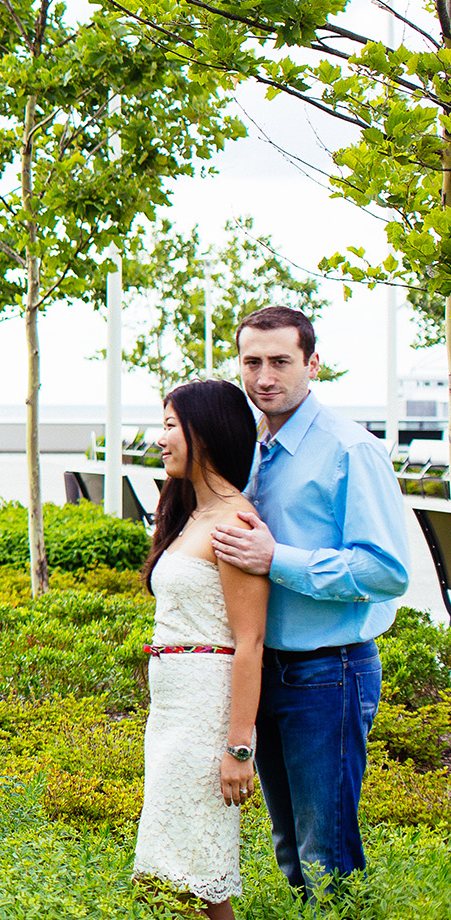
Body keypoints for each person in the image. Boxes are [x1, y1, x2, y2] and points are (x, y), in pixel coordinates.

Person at [210, 306, 410, 894]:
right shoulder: (252, 449)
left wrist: (279, 560)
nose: (264, 376)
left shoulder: (350, 450)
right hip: (264, 670)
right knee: (290, 848)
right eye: (252, 362)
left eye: (280, 362)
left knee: (327, 854)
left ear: (312, 363)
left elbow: (386, 571)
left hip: (329, 671)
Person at [132, 379, 271, 916]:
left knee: (193, 870)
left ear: (205, 433)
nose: (160, 438)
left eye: (170, 425)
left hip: (206, 713)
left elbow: (250, 643)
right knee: (177, 869)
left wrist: (239, 749)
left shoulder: (235, 522)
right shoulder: (191, 512)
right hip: (172, 708)